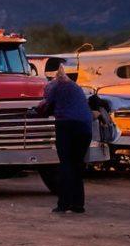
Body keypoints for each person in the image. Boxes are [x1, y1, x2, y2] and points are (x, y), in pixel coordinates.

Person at [34, 64, 93, 213]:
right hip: (85, 127)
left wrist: (36, 111)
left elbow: (45, 106)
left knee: (66, 165)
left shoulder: (52, 86)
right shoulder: (76, 87)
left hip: (66, 126)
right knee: (77, 165)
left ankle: (63, 204)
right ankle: (78, 204)